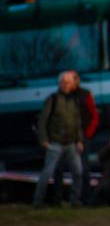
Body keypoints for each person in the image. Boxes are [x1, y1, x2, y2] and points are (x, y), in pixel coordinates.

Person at [33, 71, 84, 208]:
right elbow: (42, 121)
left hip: (71, 144)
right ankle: (37, 202)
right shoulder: (53, 99)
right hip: (55, 144)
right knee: (47, 173)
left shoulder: (73, 100)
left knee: (78, 172)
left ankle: (75, 200)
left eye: (69, 82)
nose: (67, 85)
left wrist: (79, 140)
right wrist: (43, 139)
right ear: (60, 83)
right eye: (64, 82)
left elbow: (77, 121)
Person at [53, 70, 99, 205]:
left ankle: (86, 198)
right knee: (60, 168)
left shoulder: (85, 94)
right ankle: (60, 199)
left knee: (84, 169)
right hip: (65, 139)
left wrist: (88, 135)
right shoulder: (62, 97)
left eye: (73, 79)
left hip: (82, 138)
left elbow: (94, 116)